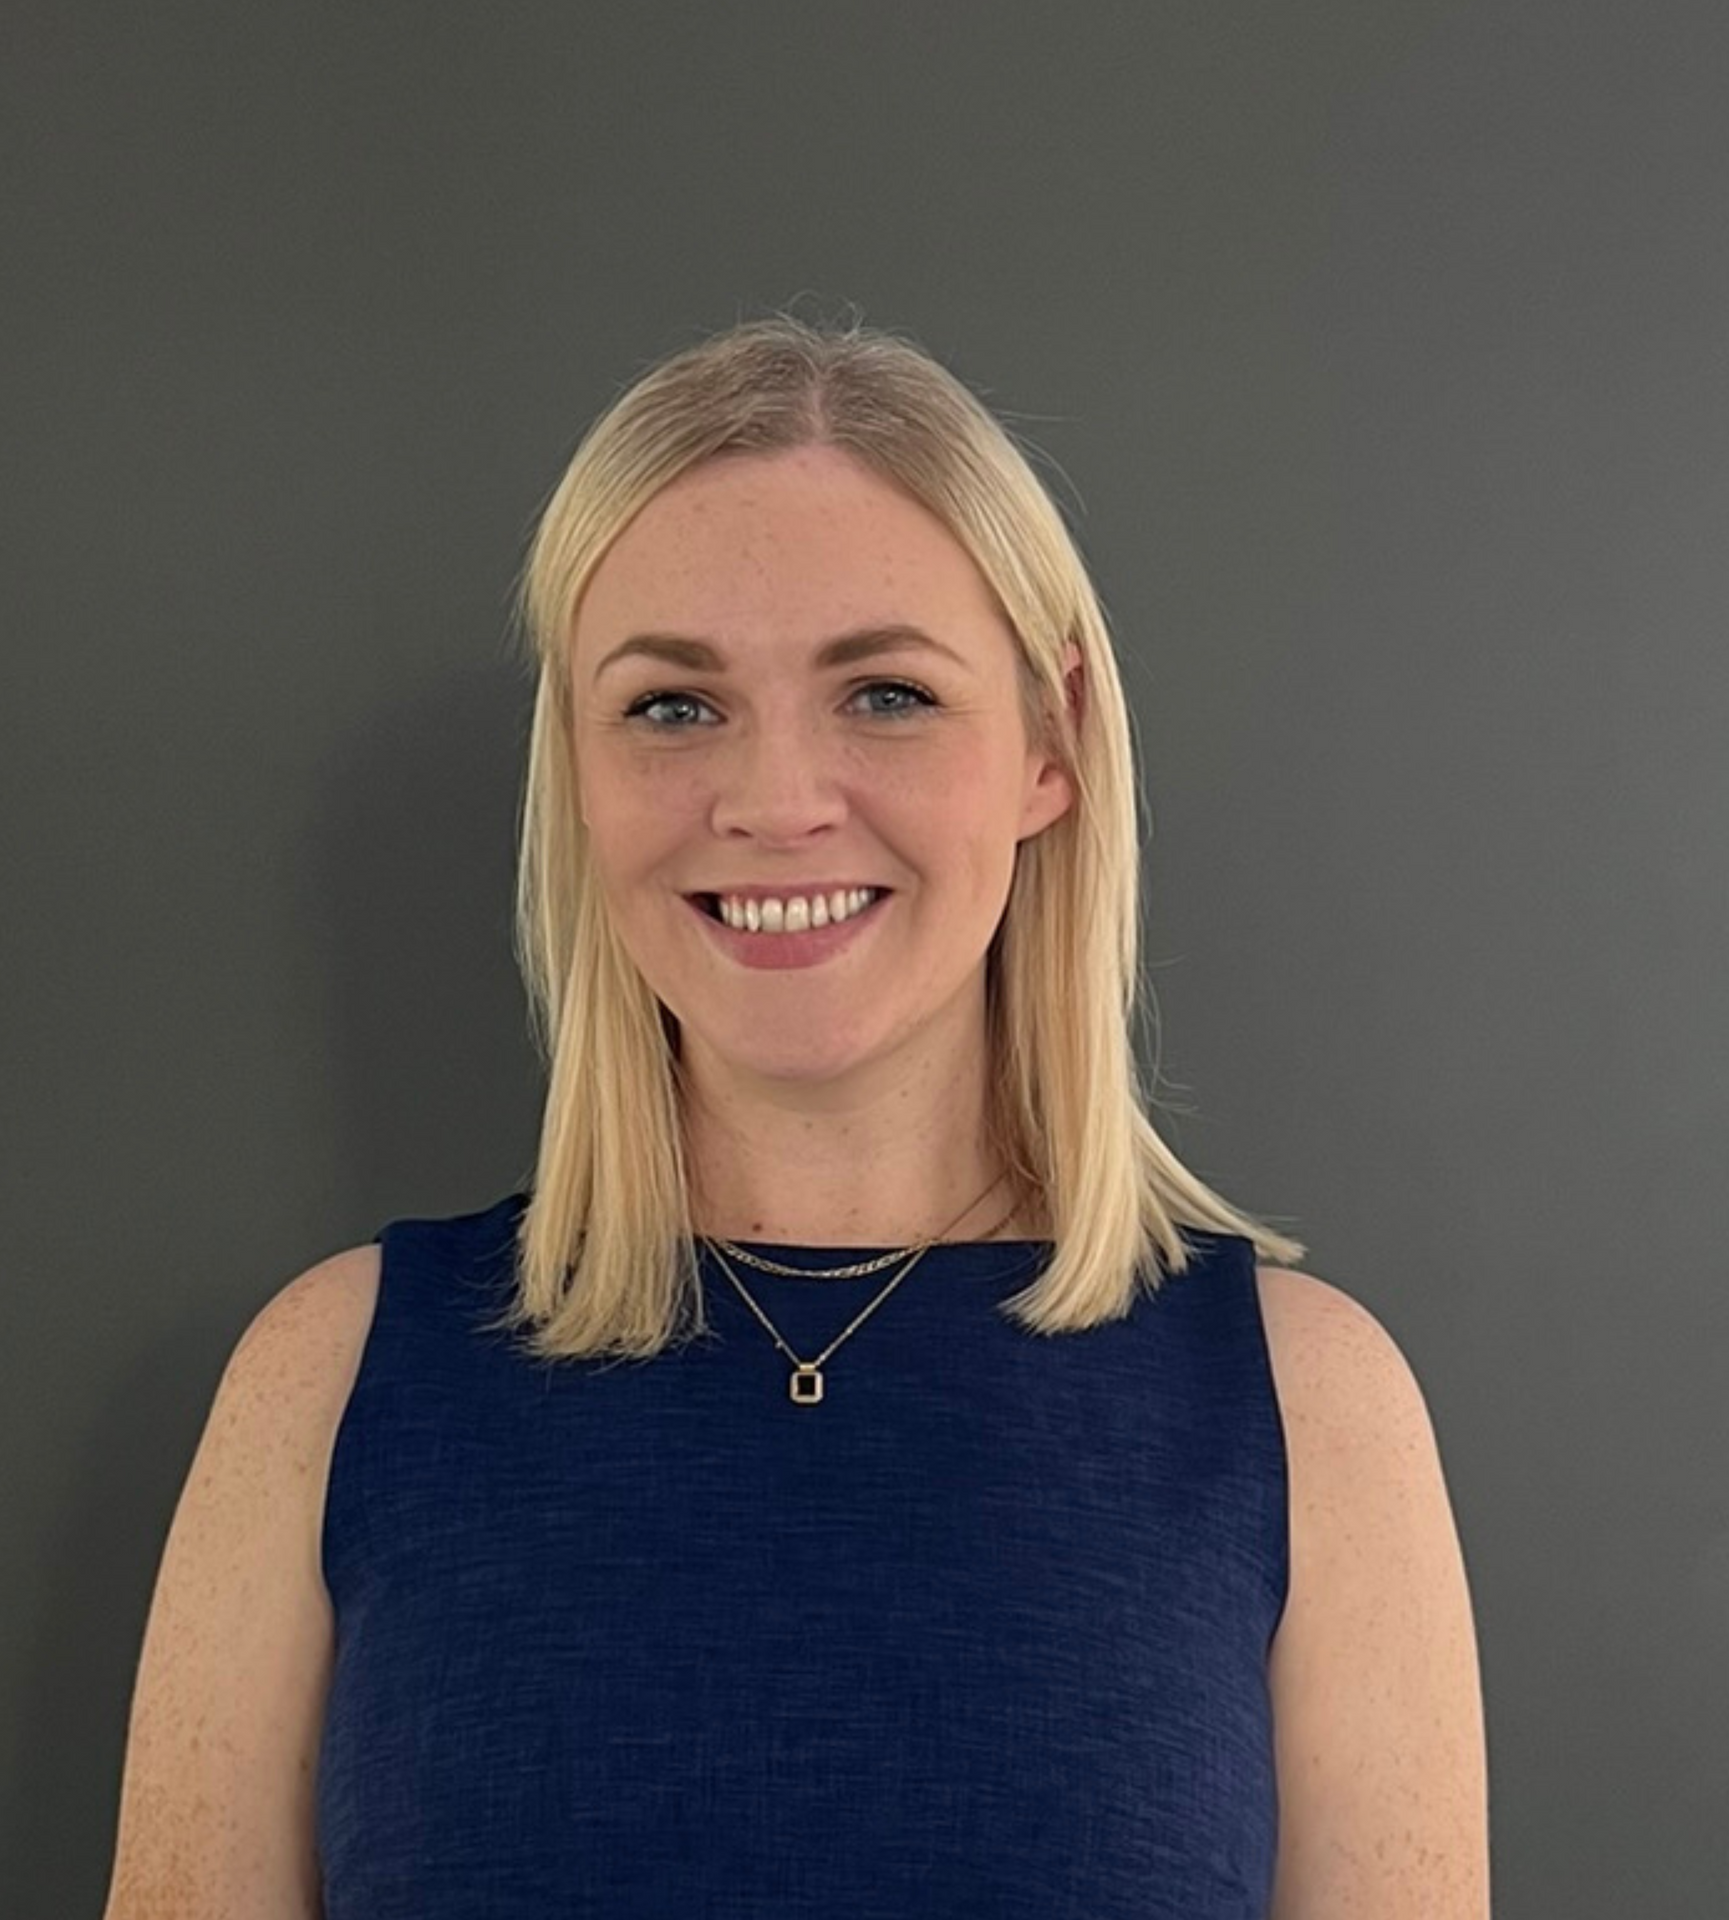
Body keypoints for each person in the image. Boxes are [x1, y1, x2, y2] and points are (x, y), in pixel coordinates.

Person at [99, 311, 1489, 1917]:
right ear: (578, 762)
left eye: (886, 694)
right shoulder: (328, 1385)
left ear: (1052, 741)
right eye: (673, 707)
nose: (773, 802)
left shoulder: (1308, 1411)